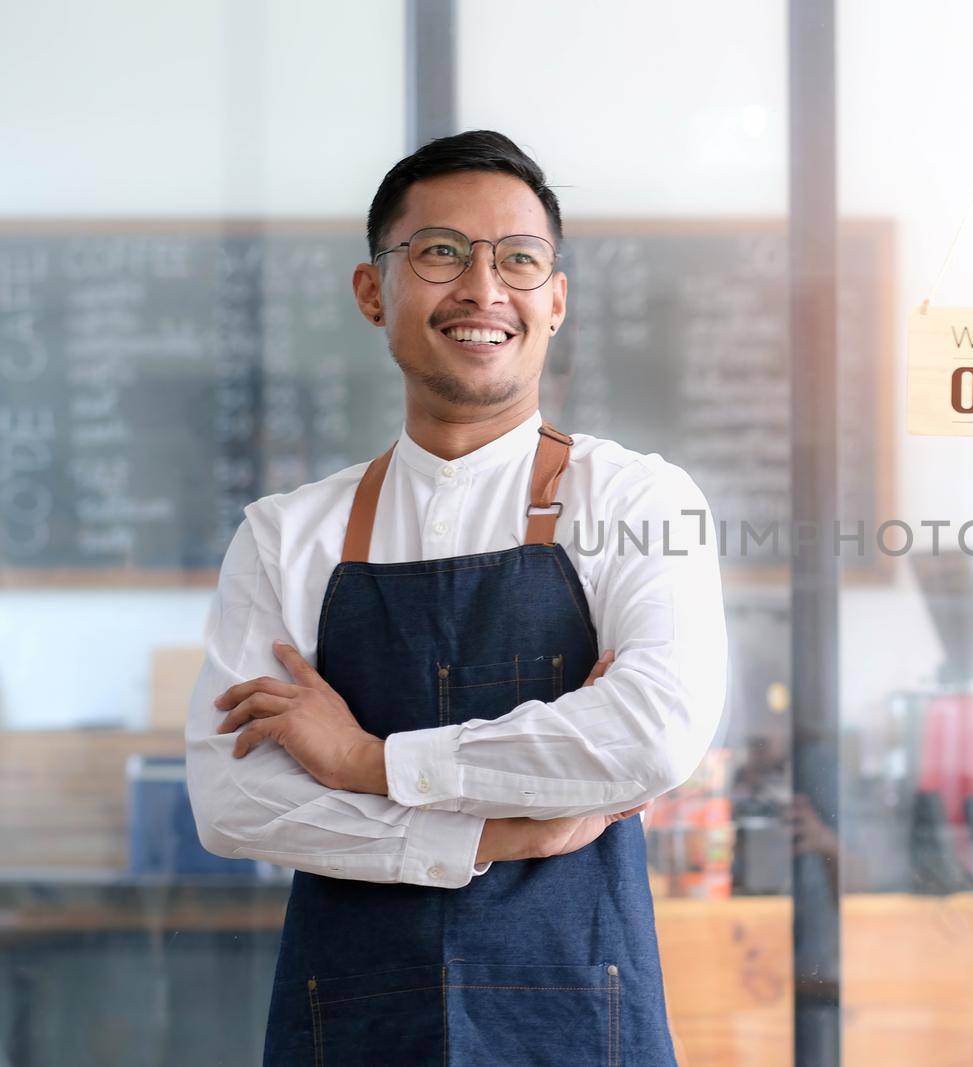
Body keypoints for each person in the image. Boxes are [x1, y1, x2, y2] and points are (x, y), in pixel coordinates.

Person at [184, 129, 727, 1065]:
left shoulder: (638, 499)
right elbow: (236, 802)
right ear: (373, 291)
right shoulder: (284, 533)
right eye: (441, 252)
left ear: (554, 301)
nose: (484, 288)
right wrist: (501, 833)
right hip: (347, 1019)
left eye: (519, 259)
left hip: (577, 1016)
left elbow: (652, 733)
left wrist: (367, 761)